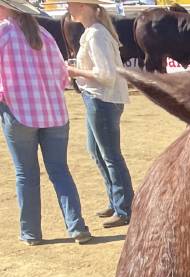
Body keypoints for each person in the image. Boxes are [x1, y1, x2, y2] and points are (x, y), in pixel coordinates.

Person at [0, 0, 91, 245]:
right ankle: (77, 226)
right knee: (60, 170)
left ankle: (31, 232)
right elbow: (62, 76)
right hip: (54, 113)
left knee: (25, 174)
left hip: (18, 113)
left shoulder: (3, 33)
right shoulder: (44, 35)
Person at [66, 0, 133, 229]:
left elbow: (105, 75)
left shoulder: (96, 34)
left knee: (109, 155)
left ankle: (124, 207)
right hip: (100, 98)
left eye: (71, 4)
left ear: (84, 7)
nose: (68, 8)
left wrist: (73, 71)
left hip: (102, 98)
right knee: (98, 152)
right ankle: (118, 202)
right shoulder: (95, 33)